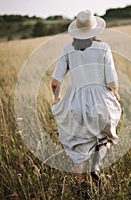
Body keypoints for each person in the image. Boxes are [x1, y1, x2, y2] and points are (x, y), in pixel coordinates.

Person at [51, 9, 121, 187]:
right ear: (95, 29)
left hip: (76, 103)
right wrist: (115, 93)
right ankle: (96, 166)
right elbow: (112, 80)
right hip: (101, 101)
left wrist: (57, 98)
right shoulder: (104, 48)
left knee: (79, 147)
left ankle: (82, 189)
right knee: (107, 137)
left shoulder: (67, 49)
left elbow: (54, 82)